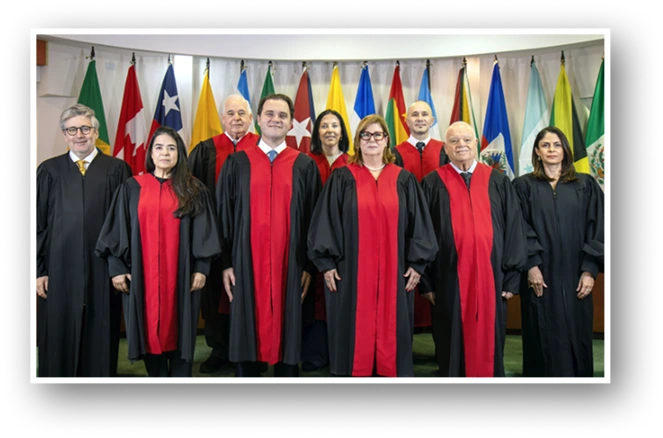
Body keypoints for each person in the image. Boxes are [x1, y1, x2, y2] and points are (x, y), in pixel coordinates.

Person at [308, 114, 438, 377]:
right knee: (352, 331)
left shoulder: (403, 180)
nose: (372, 140)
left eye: (378, 134)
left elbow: (420, 226)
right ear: (357, 141)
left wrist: (417, 264)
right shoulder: (342, 178)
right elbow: (324, 222)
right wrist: (326, 264)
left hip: (395, 273)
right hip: (350, 273)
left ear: (387, 140)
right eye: (365, 135)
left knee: (394, 332)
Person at [96, 126, 221, 377]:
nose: (165, 153)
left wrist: (202, 268)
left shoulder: (194, 189)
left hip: (182, 276)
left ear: (180, 154)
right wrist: (117, 269)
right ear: (151, 153)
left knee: (182, 328)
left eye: (171, 148)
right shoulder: (132, 187)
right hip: (142, 275)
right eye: (159, 147)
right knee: (147, 331)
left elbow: (205, 232)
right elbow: (116, 230)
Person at [217, 93, 321, 377]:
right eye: (270, 114)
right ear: (259, 119)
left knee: (289, 331)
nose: (276, 120)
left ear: (291, 122)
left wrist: (309, 266)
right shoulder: (237, 163)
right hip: (245, 262)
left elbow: (314, 220)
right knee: (247, 325)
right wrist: (226, 262)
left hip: (291, 263)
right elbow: (223, 216)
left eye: (283, 115)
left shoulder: (304, 165)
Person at [420, 121, 527, 377]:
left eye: (467, 140)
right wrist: (426, 283)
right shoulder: (432, 183)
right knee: (450, 338)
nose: (461, 145)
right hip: (447, 278)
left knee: (490, 339)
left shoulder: (498, 181)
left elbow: (514, 229)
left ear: (476, 144)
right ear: (446, 147)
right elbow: (422, 234)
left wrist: (511, 279)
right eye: (454, 141)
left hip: (493, 277)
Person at [36, 104, 132, 377]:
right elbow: (38, 225)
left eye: (85, 128)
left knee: (101, 327)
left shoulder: (117, 169)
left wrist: (119, 267)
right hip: (59, 266)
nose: (79, 135)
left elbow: (125, 225)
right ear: (64, 134)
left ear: (95, 132)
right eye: (72, 130)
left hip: (103, 266)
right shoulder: (49, 171)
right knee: (58, 328)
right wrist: (39, 270)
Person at [513, 126, 604, 377]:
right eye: (545, 145)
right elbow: (518, 227)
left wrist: (590, 270)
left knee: (577, 336)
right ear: (537, 152)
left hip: (577, 275)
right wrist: (531, 265)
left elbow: (598, 228)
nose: (551, 150)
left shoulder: (585, 185)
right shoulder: (522, 186)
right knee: (541, 335)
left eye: (556, 145)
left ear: (565, 150)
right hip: (540, 276)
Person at [188, 94, 259, 374]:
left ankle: (253, 351)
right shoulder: (206, 150)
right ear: (222, 118)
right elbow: (191, 190)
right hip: (214, 234)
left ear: (251, 118)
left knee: (251, 291)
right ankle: (220, 349)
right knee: (215, 292)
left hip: (252, 235)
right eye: (230, 113)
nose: (236, 118)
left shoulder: (263, 148)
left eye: (242, 113)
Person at [393, 100, 449, 334]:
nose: (419, 118)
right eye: (414, 114)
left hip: (440, 223)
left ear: (432, 120)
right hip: (408, 226)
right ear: (406, 120)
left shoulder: (445, 149)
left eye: (424, 114)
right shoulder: (395, 152)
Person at [301, 109, 350, 372]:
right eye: (324, 126)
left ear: (342, 132)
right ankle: (315, 351)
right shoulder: (305, 163)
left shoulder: (353, 164)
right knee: (312, 296)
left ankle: (342, 350)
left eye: (334, 125)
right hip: (310, 242)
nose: (329, 130)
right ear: (316, 132)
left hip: (344, 245)